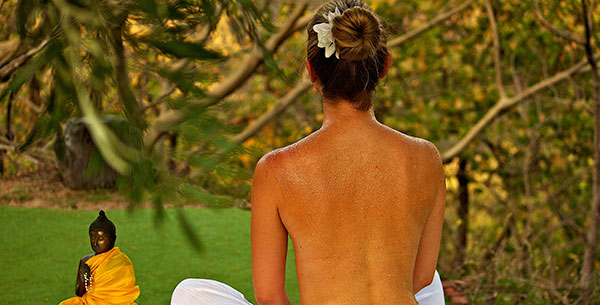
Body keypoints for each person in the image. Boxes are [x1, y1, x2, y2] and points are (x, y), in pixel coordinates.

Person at [172, 1, 445, 304]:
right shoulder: (426, 158)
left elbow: (271, 297)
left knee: (189, 294)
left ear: (312, 71)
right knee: (434, 285)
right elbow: (421, 278)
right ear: (384, 67)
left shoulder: (275, 170)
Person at [59, 210, 140, 305]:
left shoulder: (122, 262)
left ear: (113, 240)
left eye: (100, 239)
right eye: (92, 238)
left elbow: (123, 293)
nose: (95, 243)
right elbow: (79, 292)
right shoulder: (86, 260)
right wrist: (83, 275)